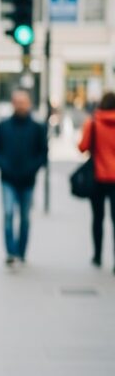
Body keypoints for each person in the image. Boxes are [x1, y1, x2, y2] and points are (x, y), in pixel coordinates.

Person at [0, 90, 47, 267]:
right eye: (17, 102)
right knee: (8, 214)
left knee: (24, 217)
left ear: (29, 103)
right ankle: (11, 251)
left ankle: (21, 251)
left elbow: (43, 153)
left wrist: (33, 168)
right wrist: (3, 165)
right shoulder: (3, 126)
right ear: (12, 104)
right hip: (8, 179)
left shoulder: (37, 128)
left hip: (28, 180)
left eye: (24, 102)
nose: (21, 105)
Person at [78, 92, 115, 271]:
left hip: (97, 177)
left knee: (98, 218)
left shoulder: (93, 123)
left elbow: (82, 147)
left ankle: (98, 256)